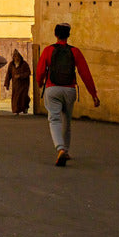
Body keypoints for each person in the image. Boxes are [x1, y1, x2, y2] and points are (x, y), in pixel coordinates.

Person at [35, 23, 100, 166]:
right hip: (69, 90)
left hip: (52, 89)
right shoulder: (75, 52)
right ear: (68, 35)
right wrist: (93, 94)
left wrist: (40, 83)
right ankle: (66, 150)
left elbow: (40, 70)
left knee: (54, 119)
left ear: (55, 34)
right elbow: (85, 73)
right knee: (67, 120)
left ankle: (60, 149)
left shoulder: (48, 50)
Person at [4, 49, 32, 115]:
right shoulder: (11, 64)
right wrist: (7, 83)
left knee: (23, 97)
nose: (16, 58)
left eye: (17, 57)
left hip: (24, 84)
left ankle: (24, 108)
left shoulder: (24, 64)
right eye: (14, 57)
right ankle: (16, 110)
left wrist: (20, 76)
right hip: (15, 84)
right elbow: (9, 74)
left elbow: (28, 72)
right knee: (16, 97)